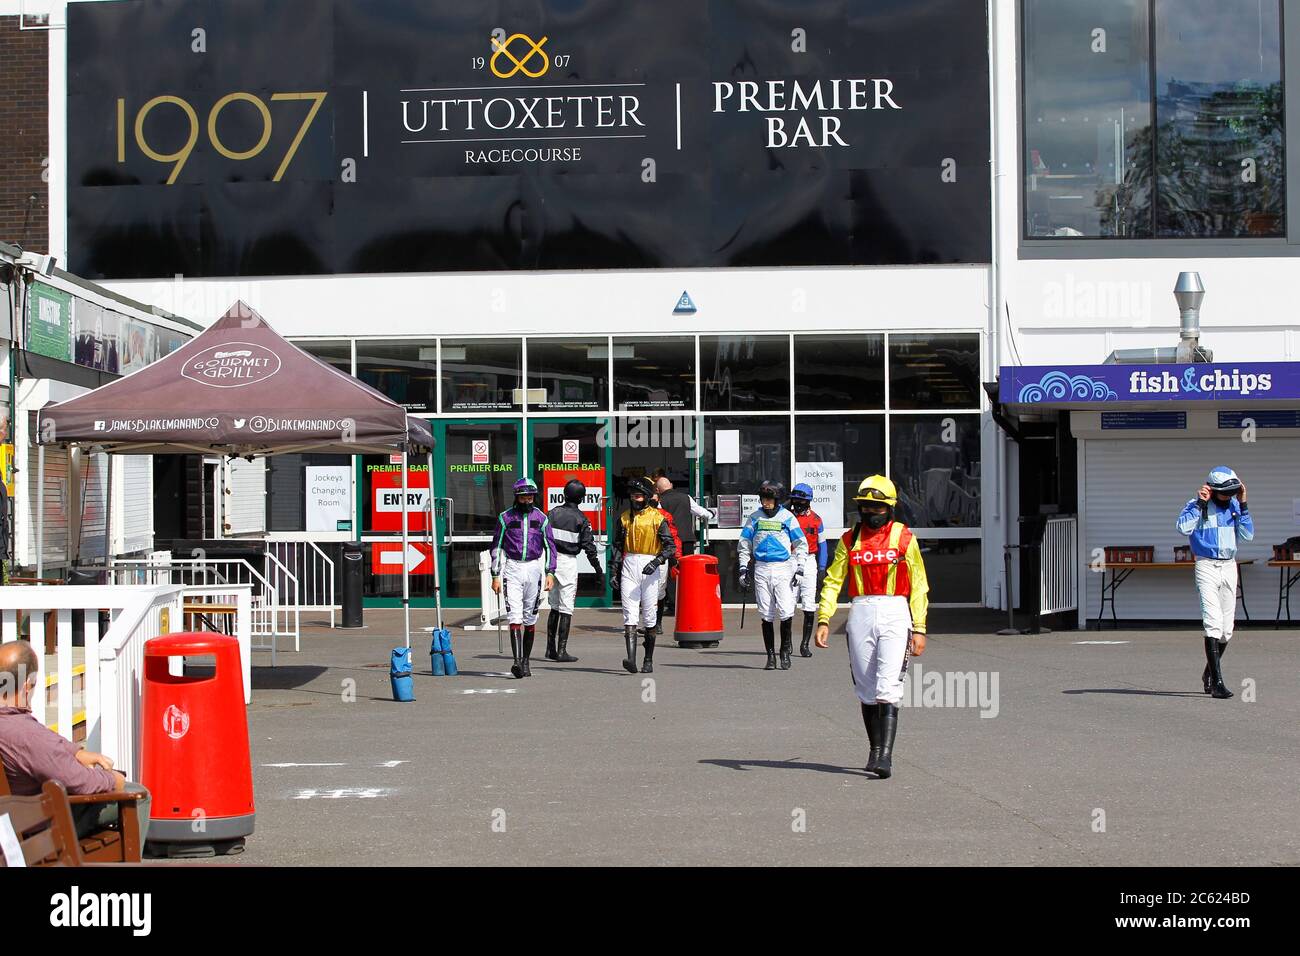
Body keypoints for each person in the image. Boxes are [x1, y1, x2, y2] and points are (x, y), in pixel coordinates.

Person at [815, 475, 929, 779]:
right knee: (865, 688)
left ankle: (885, 757)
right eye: (865, 506)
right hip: (861, 610)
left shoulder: (905, 538)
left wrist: (919, 627)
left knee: (887, 686)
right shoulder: (849, 540)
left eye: (877, 507)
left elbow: (919, 585)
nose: (870, 512)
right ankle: (874, 748)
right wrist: (824, 618)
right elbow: (833, 581)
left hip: (895, 610)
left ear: (890, 508)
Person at [0, 640, 151, 843]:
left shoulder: (16, 726)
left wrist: (76, 752)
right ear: (28, 686)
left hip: (10, 822)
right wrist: (114, 779)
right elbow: (79, 782)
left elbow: (45, 741)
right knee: (137, 794)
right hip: (35, 830)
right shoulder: (26, 734)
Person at [1175, 466, 1254, 699]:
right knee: (1213, 622)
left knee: (1226, 630)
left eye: (1232, 492)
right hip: (1206, 565)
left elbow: (1248, 535)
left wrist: (1244, 504)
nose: (1228, 497)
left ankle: (1208, 672)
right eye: (1225, 493)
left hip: (1230, 565)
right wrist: (1199, 505)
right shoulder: (1195, 504)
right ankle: (1218, 683)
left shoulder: (1234, 506)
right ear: (1212, 489)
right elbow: (1182, 528)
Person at [738, 480, 808, 670]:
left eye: (769, 499)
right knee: (766, 615)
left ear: (777, 500)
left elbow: (801, 544)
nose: (765, 502)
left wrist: (800, 568)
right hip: (761, 568)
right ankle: (770, 656)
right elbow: (744, 544)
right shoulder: (754, 518)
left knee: (786, 611)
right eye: (763, 498)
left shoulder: (788, 518)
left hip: (783, 568)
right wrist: (743, 569)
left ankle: (784, 651)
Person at [491, 477, 557, 679]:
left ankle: (526, 661)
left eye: (530, 496)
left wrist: (550, 572)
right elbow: (496, 546)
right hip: (512, 568)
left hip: (534, 568)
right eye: (523, 496)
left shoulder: (542, 518)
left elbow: (550, 547)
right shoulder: (505, 518)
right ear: (517, 497)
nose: (527, 500)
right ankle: (517, 662)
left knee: (530, 617)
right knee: (514, 616)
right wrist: (495, 574)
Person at [611, 476, 676, 674]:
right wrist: (614, 571)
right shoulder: (623, 518)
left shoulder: (658, 518)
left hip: (650, 565)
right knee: (629, 613)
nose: (635, 499)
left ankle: (648, 659)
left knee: (649, 616)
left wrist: (656, 561)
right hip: (629, 564)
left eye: (639, 496)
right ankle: (631, 659)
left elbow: (670, 547)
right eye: (633, 496)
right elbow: (617, 546)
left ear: (647, 497)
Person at [545, 478, 604, 663]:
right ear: (582, 499)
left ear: (564, 494)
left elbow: (542, 537)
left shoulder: (552, 513)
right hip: (568, 562)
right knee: (566, 608)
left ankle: (550, 649)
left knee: (554, 606)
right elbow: (589, 547)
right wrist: (598, 569)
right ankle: (562, 651)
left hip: (551, 562)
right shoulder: (582, 519)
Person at [787, 483, 827, 658]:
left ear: (808, 501)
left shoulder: (817, 520)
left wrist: (822, 567)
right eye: (795, 500)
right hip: (790, 559)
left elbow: (823, 545)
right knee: (788, 603)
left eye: (801, 500)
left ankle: (804, 644)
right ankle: (787, 644)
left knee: (809, 603)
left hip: (809, 561)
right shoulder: (786, 516)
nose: (797, 503)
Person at [650, 489, 683, 636]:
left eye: (653, 496)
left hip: (660, 557)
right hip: (639, 557)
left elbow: (673, 537)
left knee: (659, 591)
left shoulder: (664, 515)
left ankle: (657, 623)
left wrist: (676, 557)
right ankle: (648, 622)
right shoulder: (632, 515)